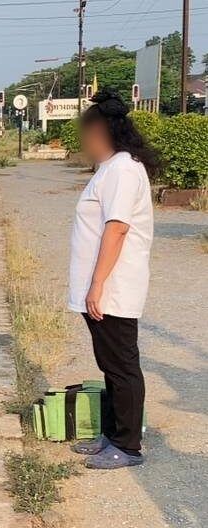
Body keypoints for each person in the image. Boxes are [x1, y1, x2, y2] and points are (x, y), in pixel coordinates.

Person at [68, 89, 160, 469]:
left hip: (114, 288)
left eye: (87, 135)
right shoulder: (112, 167)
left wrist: (98, 284)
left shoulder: (123, 169)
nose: (85, 143)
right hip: (105, 288)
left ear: (102, 132)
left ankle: (128, 445)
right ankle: (115, 434)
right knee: (111, 365)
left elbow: (118, 228)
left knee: (122, 365)